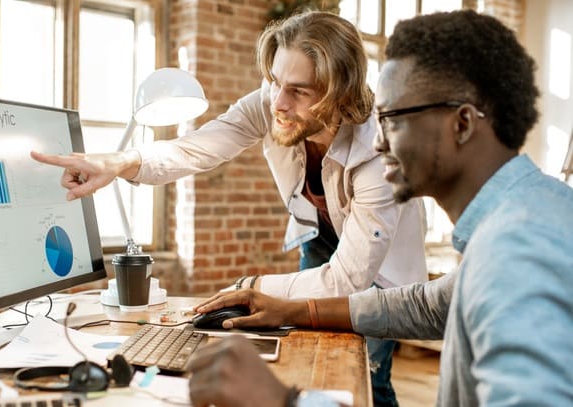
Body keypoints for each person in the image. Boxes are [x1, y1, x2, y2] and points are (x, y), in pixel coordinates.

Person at [32, 11, 428, 405]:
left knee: (367, 372)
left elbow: (348, 281)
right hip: (321, 236)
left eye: (299, 91)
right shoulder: (271, 100)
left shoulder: (380, 149)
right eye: (275, 81)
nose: (278, 103)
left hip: (378, 265)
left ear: (338, 91)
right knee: (310, 349)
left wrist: (248, 288)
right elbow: (199, 146)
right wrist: (120, 163)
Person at [187, 9, 573, 407]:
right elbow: (426, 304)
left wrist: (281, 399)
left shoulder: (522, 249)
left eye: (391, 118)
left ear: (461, 124)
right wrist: (296, 309)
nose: (377, 143)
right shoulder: (521, 216)